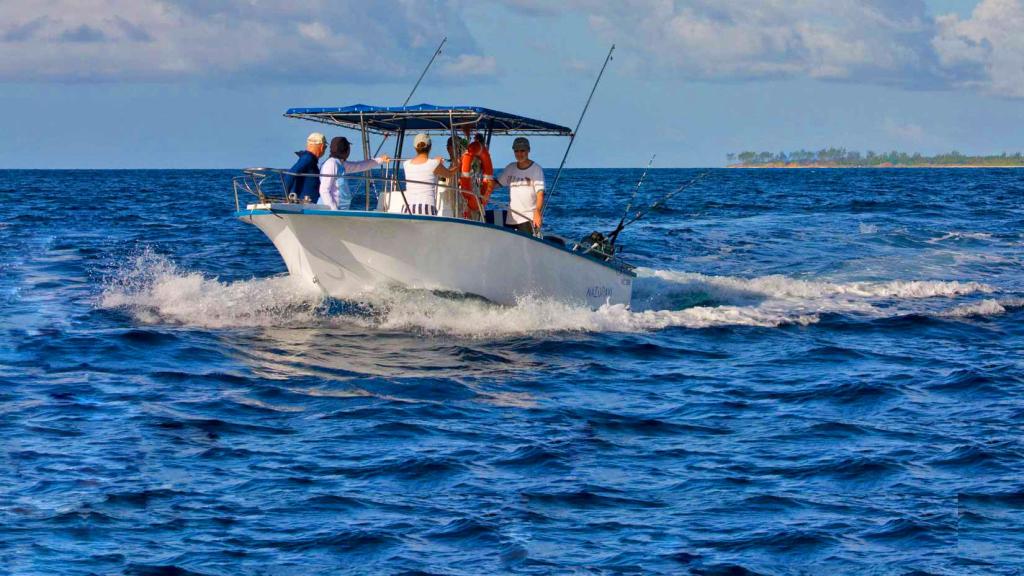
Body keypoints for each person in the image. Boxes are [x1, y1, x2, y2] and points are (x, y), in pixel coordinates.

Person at [318, 136, 389, 210]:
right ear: (345, 149)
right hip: (330, 212)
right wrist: (333, 210)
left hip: (340, 211)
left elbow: (359, 166)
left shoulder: (340, 163)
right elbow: (324, 190)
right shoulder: (331, 164)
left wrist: (381, 160)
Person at [495, 137, 545, 234]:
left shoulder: (536, 169)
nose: (519, 154)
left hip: (528, 218)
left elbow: (540, 194)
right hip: (511, 218)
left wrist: (537, 212)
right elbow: (497, 184)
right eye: (516, 151)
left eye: (522, 151)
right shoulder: (510, 167)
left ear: (528, 150)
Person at [397, 133, 456, 215]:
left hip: (408, 209)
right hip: (426, 209)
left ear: (415, 147)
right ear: (430, 147)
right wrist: (459, 165)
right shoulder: (434, 163)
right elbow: (449, 174)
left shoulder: (406, 164)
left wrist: (436, 162)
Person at [284, 132, 326, 203]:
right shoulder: (307, 158)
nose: (324, 149)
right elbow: (290, 175)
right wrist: (286, 197)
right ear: (321, 146)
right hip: (305, 205)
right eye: (325, 147)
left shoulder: (309, 159)